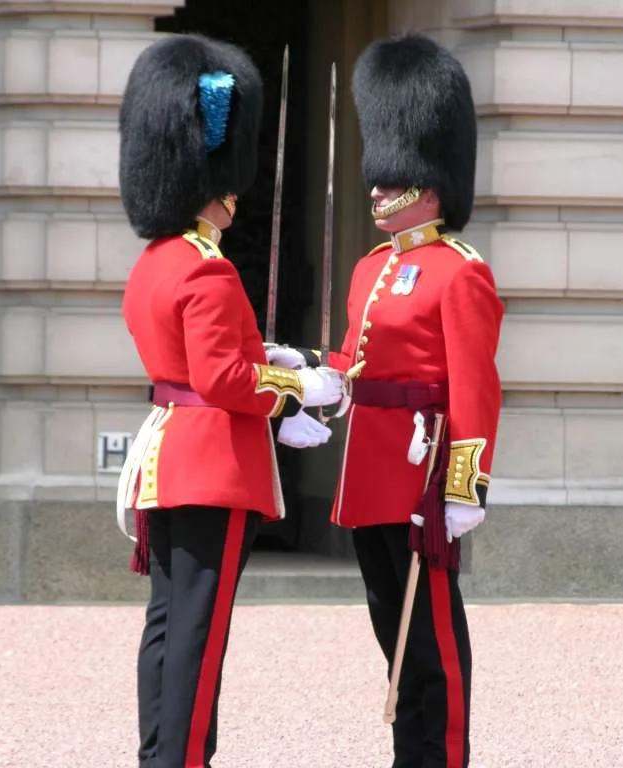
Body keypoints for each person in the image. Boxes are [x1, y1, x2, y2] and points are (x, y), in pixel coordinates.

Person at [115, 34, 345, 768]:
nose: (235, 197)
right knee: (200, 631)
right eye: (228, 185)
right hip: (215, 464)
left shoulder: (155, 264)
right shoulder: (208, 270)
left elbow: (195, 362)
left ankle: (159, 755)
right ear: (209, 184)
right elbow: (220, 380)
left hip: (169, 457)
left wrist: (267, 359)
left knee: (168, 622)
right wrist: (297, 392)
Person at [326, 33, 505, 768]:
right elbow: (353, 359)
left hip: (421, 472)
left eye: (391, 180)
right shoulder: (370, 268)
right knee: (390, 630)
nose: (376, 191)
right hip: (368, 470)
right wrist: (306, 375)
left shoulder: (459, 271)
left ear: (428, 188)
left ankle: (442, 756)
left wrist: (465, 483)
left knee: (431, 638)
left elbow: (476, 383)